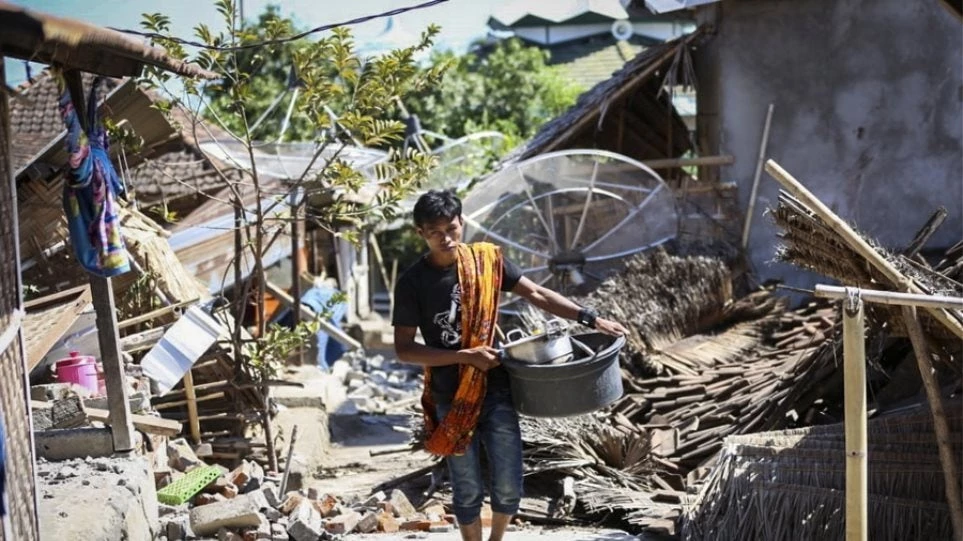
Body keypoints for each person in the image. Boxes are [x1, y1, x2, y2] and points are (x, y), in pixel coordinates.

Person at [392, 190, 628, 541]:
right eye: (435, 231)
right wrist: (464, 356)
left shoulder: (487, 262)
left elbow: (538, 294)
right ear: (420, 233)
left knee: (508, 479)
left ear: (463, 223)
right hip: (450, 395)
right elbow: (405, 349)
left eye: (452, 228)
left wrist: (591, 318)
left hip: (497, 389)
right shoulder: (413, 282)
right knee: (466, 483)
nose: (446, 238)